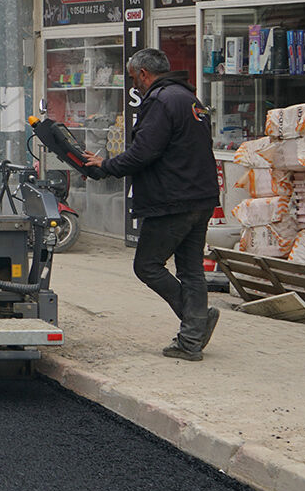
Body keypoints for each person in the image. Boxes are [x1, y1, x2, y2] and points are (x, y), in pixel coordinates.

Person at [82, 47, 222, 361]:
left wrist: (105, 167)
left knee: (147, 265)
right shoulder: (189, 99)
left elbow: (144, 152)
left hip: (172, 200)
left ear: (144, 74)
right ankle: (191, 339)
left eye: (134, 79)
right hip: (200, 197)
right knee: (192, 270)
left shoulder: (161, 101)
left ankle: (195, 321)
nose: (134, 86)